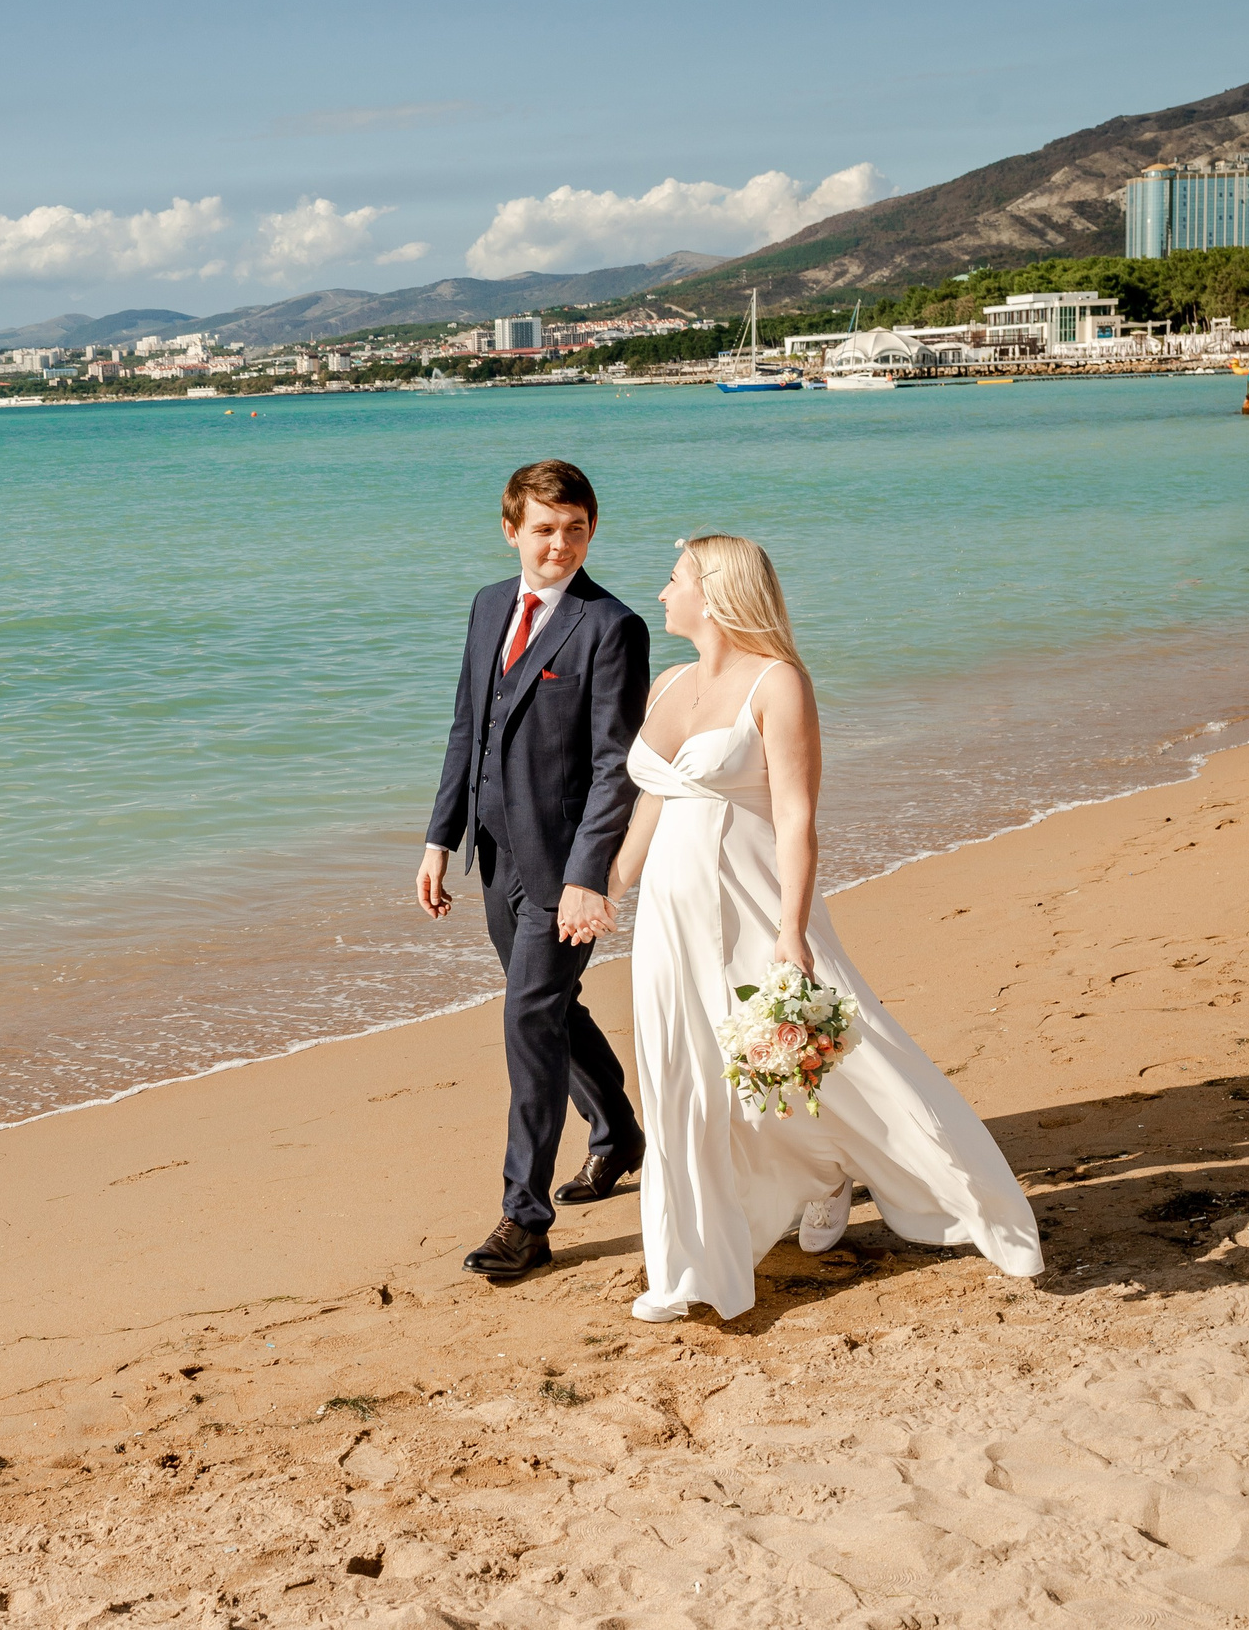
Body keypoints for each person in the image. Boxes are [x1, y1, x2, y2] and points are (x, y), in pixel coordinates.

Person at [598, 533, 1043, 1322]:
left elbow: (799, 820)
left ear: (715, 594)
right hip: (669, 920)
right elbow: (653, 799)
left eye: (674, 579)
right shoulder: (667, 683)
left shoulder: (779, 684)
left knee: (844, 1060)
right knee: (682, 1079)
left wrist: (792, 931)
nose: (661, 593)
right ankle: (689, 1270)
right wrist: (604, 891)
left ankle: (944, 1195)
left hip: (754, 905)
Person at [416, 460, 649, 1280]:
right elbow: (463, 729)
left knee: (526, 1019)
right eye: (545, 528)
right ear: (511, 529)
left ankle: (526, 1215)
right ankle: (618, 1131)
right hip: (492, 854)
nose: (561, 544)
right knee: (546, 1006)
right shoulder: (487, 606)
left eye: (576, 528)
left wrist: (592, 876)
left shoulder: (610, 627)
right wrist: (439, 839)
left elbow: (617, 766)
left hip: (563, 867)